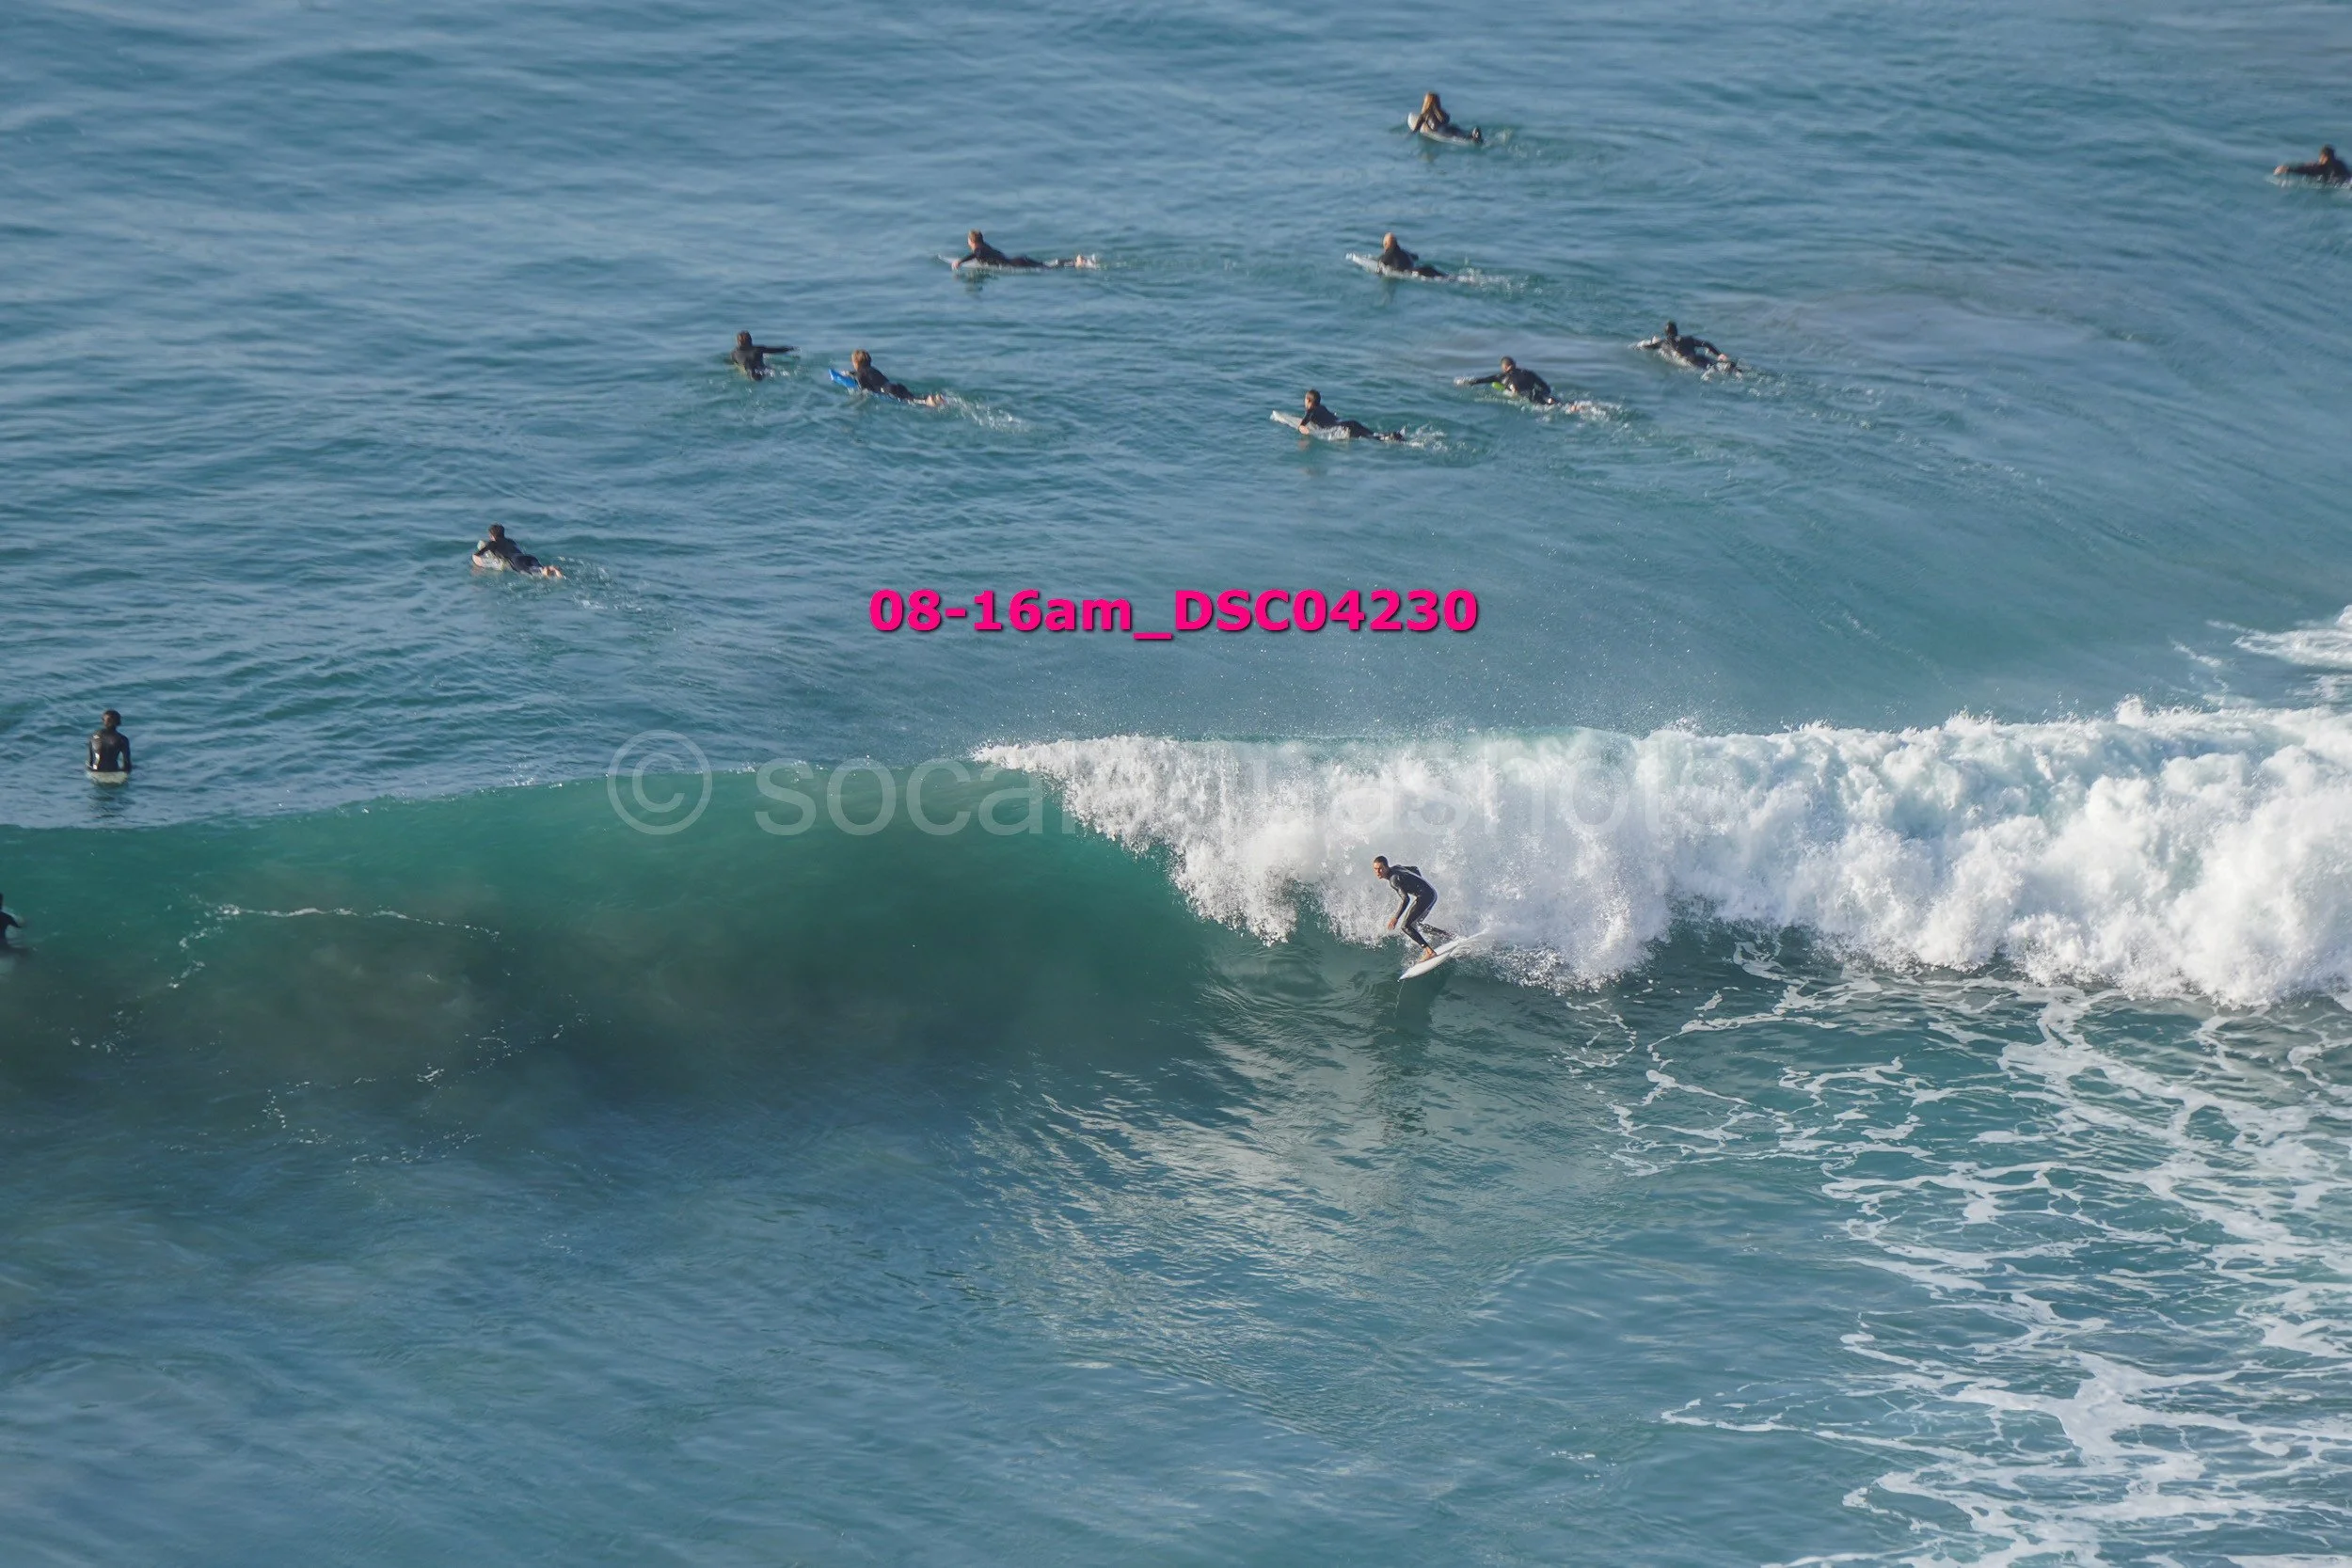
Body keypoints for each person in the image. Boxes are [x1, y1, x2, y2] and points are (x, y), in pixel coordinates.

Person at [1374, 856, 1450, 963]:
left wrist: (1396, 918)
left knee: (1405, 926)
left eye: (1380, 868)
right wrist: (1418, 885)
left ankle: (1429, 952)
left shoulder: (1393, 880)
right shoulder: (1397, 867)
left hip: (1425, 896)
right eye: (1375, 869)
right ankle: (1446, 935)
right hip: (1431, 893)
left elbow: (1406, 899)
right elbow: (1415, 869)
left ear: (1386, 867)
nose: (1378, 872)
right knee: (1415, 925)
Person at [846, 349, 946, 406]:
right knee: (912, 396)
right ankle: (933, 397)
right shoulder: (873, 369)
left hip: (888, 391)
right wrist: (850, 373)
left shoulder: (860, 374)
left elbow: (864, 389)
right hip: (894, 385)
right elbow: (863, 374)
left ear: (856, 363)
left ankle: (928, 402)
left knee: (910, 401)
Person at [1297, 389, 1405, 442]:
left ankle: (1390, 438)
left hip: (1343, 429)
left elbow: (1304, 423)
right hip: (1349, 422)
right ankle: (1394, 435)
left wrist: (1302, 428)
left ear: (1308, 400)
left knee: (1373, 439)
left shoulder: (1311, 411)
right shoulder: (1323, 407)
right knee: (1374, 435)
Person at [1639, 320, 1740, 373]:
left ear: (1666, 333)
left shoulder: (1663, 342)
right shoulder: (1688, 339)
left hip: (1689, 361)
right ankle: (1733, 367)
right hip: (1700, 357)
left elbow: (1647, 347)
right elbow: (1706, 344)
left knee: (1712, 370)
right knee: (1721, 365)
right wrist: (1719, 354)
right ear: (1677, 331)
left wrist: (1638, 347)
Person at [1459, 355, 1559, 405]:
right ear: (1515, 364)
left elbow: (1481, 380)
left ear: (1504, 367)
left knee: (1544, 405)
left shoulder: (1501, 377)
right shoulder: (1529, 373)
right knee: (1556, 403)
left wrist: (1465, 382)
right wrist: (1545, 393)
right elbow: (1545, 386)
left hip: (1527, 396)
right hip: (1538, 393)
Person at [473, 524, 561, 578]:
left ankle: (545, 570)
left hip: (516, 561)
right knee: (539, 569)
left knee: (531, 572)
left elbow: (477, 555)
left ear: (491, 535)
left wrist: (478, 567)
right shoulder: (511, 541)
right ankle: (551, 569)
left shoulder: (491, 543)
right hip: (528, 556)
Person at [1408, 92, 1482, 143]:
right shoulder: (1441, 111)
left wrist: (1407, 136)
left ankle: (1473, 138)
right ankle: (1474, 135)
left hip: (1441, 131)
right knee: (1462, 134)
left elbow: (1415, 130)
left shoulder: (1424, 114)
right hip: (1451, 127)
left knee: (1458, 138)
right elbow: (1447, 119)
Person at [953, 230, 1044, 270]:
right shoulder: (985, 246)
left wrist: (960, 261)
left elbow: (976, 254)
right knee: (1047, 266)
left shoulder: (980, 249)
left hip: (1016, 264)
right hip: (1019, 260)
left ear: (971, 241)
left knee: (1047, 268)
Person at [1375, 231, 1447, 278]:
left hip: (1414, 273)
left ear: (1386, 244)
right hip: (1423, 269)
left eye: (1384, 244)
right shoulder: (1405, 252)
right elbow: (1416, 257)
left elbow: (1381, 263)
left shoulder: (1388, 255)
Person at [730, 331, 794, 379]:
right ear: (751, 340)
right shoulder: (759, 349)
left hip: (748, 374)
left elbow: (734, 364)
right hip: (762, 372)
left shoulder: (734, 353)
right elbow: (776, 350)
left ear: (738, 342)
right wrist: (790, 348)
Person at [2276, 144, 2351, 183]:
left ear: (2324, 157)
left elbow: (2305, 170)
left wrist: (2288, 169)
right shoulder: (2340, 163)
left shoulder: (2321, 167)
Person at [87, 710, 131, 777]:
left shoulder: (93, 737)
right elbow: (127, 764)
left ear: (103, 721)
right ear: (119, 722)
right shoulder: (122, 739)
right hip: (113, 771)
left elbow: (90, 762)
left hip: (95, 771)